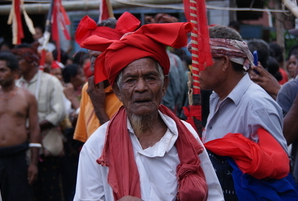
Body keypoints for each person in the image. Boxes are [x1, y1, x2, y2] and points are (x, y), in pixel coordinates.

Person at [74, 22, 224, 201]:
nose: (141, 88)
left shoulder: (186, 135)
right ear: (118, 91)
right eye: (130, 80)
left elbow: (214, 197)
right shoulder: (96, 147)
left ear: (164, 86)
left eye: (150, 78)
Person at [200, 25, 295, 200]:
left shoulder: (256, 104)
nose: (195, 68)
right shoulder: (216, 97)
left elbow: (277, 169)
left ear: (225, 63)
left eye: (202, 59)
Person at [73, 12, 140, 142]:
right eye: (91, 52)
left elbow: (125, 145)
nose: (92, 58)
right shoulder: (89, 88)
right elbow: (87, 142)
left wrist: (99, 108)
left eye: (99, 53)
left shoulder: (134, 90)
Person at [12, 43, 67, 201]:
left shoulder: (50, 82)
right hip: (24, 153)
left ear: (32, 61)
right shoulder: (16, 85)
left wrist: (33, 128)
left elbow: (58, 112)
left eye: (20, 59)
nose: (16, 64)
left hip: (48, 150)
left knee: (51, 193)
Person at [0, 52, 41, 201]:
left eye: (3, 70)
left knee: (20, 196)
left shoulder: (27, 97)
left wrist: (34, 163)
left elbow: (35, 129)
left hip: (18, 156)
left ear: (15, 72)